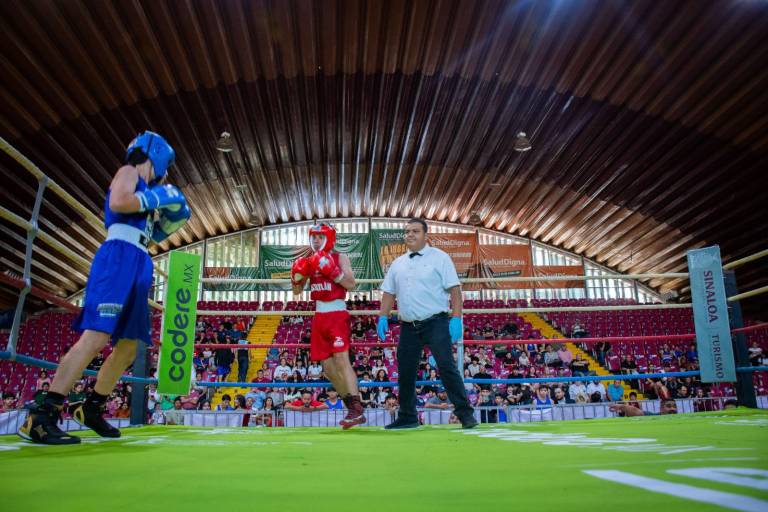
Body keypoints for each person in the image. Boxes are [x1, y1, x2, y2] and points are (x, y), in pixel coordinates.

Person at [19, 131, 187, 445]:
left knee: (131, 345)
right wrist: (156, 199)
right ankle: (41, 415)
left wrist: (167, 221)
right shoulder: (128, 174)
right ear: (158, 156)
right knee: (96, 337)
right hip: (118, 256)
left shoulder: (150, 193)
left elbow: (147, 234)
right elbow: (119, 202)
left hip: (139, 259)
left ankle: (92, 407)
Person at [377, 218, 476, 429]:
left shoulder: (440, 258)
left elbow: (455, 290)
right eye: (407, 232)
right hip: (408, 325)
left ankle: (465, 414)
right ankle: (407, 416)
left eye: (415, 231)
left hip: (436, 322)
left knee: (447, 367)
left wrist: (456, 318)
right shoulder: (398, 263)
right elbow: (388, 292)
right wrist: (383, 316)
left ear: (425, 235)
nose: (409, 235)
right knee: (405, 370)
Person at [291, 223, 365, 429]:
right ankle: (351, 405)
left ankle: (356, 408)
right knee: (328, 368)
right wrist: (295, 276)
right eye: (313, 237)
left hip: (337, 313)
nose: (315, 240)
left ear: (329, 238)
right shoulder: (308, 261)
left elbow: (351, 284)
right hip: (319, 315)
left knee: (342, 360)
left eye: (319, 236)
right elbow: (297, 292)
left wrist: (334, 272)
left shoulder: (340, 258)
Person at [610, 397, 678, 416]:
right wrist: (623, 406)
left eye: (674, 406)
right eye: (668, 406)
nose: (673, 409)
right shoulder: (653, 416)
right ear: (661, 408)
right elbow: (637, 412)